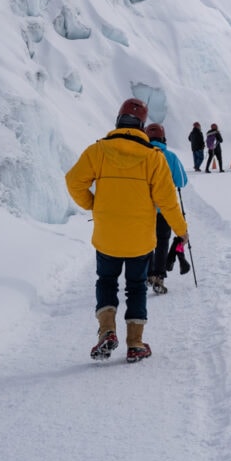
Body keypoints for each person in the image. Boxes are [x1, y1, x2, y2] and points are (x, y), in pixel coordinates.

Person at [65, 98, 188, 363]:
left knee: (106, 281)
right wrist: (181, 230)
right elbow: (167, 201)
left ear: (119, 120)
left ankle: (107, 331)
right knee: (136, 287)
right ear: (142, 125)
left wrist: (93, 204)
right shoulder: (153, 158)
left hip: (107, 235)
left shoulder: (97, 152)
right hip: (140, 239)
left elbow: (73, 181)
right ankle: (135, 343)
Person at [144, 123, 188, 295]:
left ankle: (147, 274)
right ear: (163, 138)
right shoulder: (170, 156)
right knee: (162, 242)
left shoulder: (143, 155)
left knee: (147, 242)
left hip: (145, 210)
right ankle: (159, 277)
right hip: (165, 210)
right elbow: (182, 181)